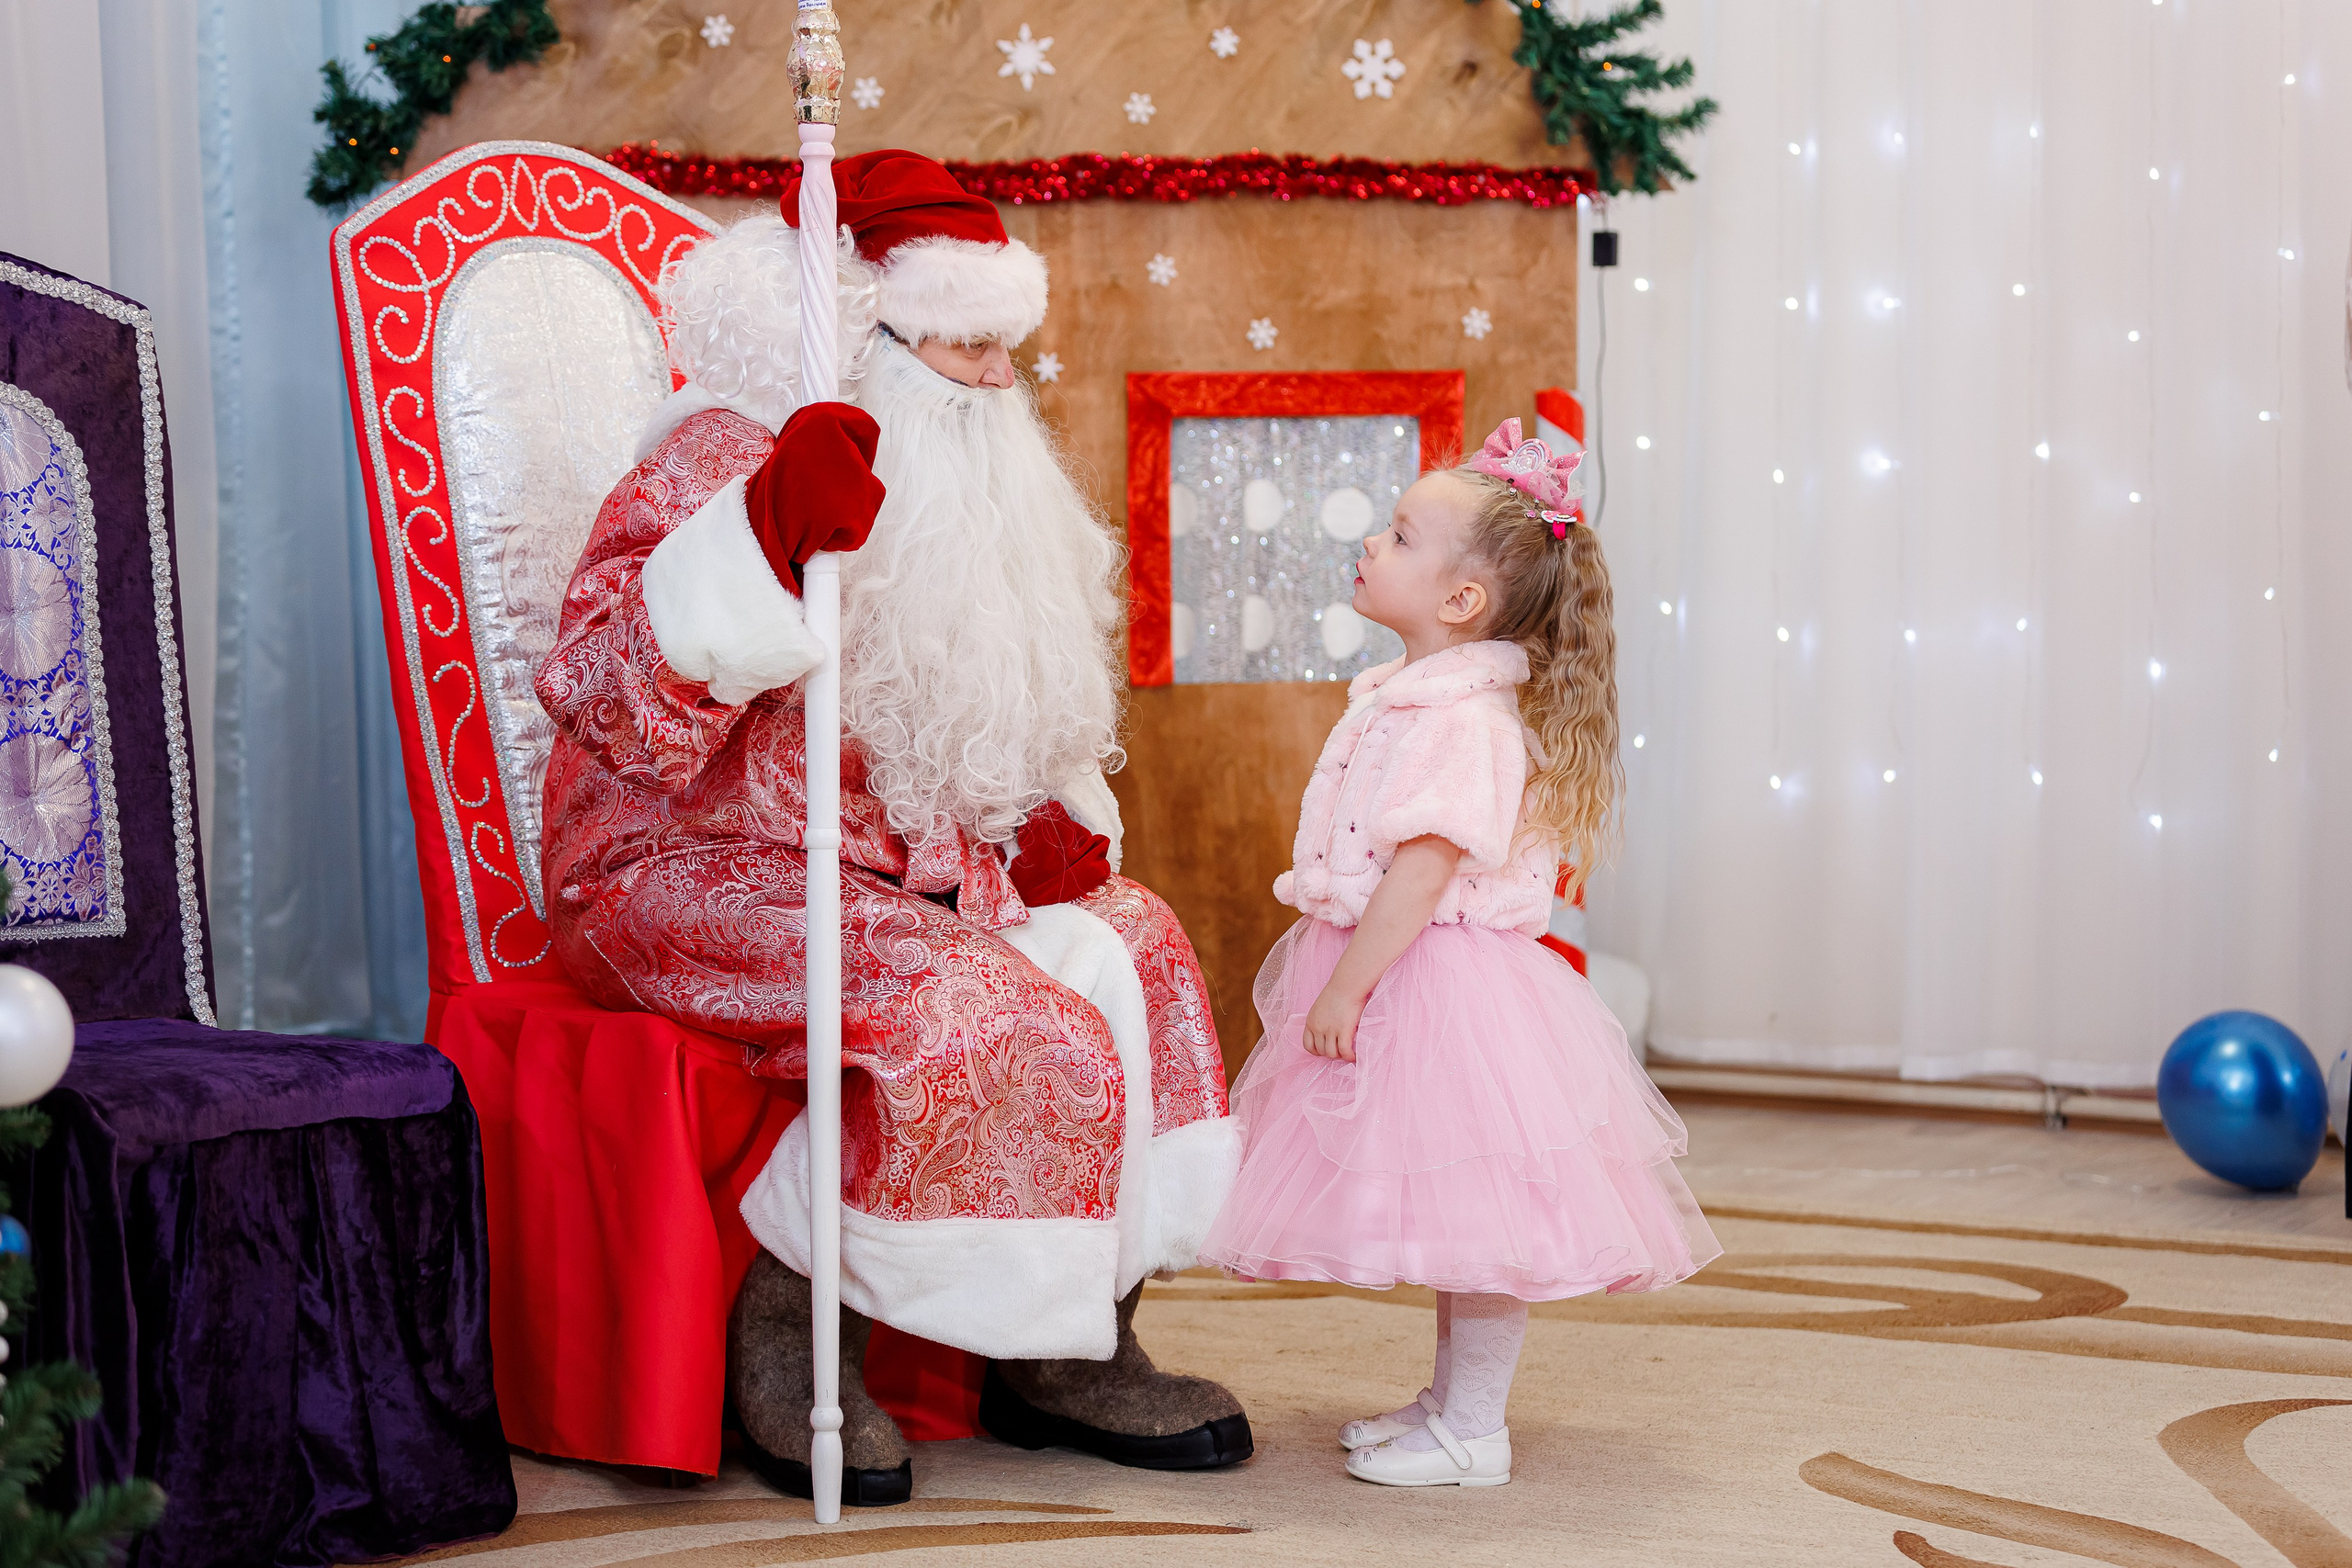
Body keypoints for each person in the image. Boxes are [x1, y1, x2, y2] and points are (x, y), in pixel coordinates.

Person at [536, 150, 1247, 1505]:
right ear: (862, 338)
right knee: (978, 1001)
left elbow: (973, 697)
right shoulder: (724, 455)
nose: (997, 382)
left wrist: (1031, 811)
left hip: (900, 865)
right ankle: (792, 1329)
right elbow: (608, 708)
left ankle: (1069, 1343)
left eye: (1006, 349)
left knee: (1137, 943)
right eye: (964, 348)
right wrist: (760, 538)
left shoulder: (962, 476)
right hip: (682, 864)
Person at [1197, 419, 1722, 1488]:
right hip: (1408, 970)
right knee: (1449, 1217)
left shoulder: (1464, 720)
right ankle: (1446, 1404)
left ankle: (1475, 1428)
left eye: (1396, 535)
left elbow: (1423, 872)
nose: (1370, 543)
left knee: (1481, 1218)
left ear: (1459, 602)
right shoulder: (1419, 697)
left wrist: (1346, 984)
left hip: (1435, 984)